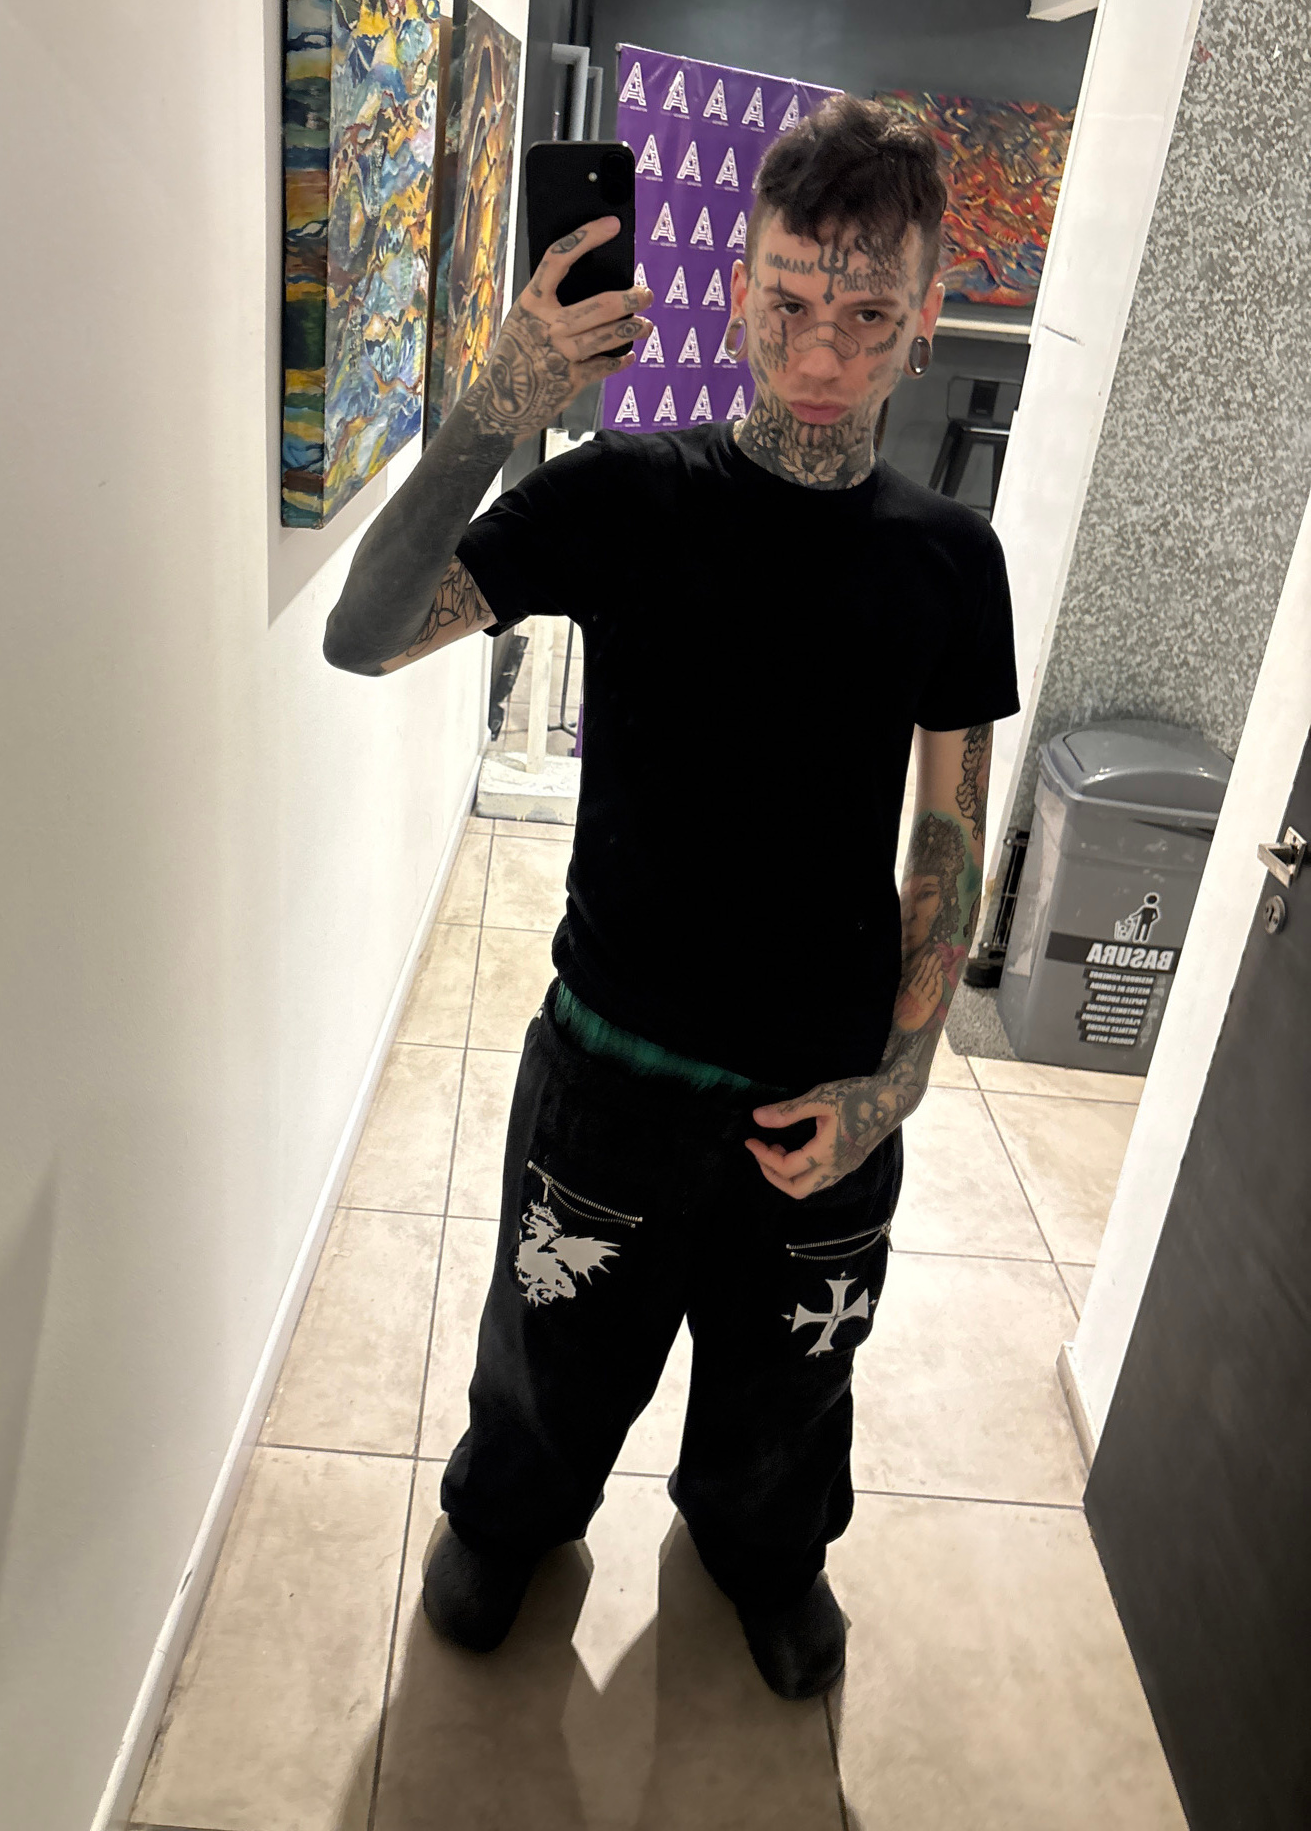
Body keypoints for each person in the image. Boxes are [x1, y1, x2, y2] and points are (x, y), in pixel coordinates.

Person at [323, 94, 1019, 1699]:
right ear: (735, 290)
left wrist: (899, 1086)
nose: (823, 348)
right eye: (790, 300)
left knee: (792, 1389)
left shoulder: (948, 560)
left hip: (820, 1084)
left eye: (866, 314)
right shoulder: (626, 496)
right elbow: (365, 636)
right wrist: (501, 400)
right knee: (548, 1358)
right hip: (614, 1057)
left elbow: (949, 833)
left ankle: (763, 1552)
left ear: (925, 317)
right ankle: (512, 1520)